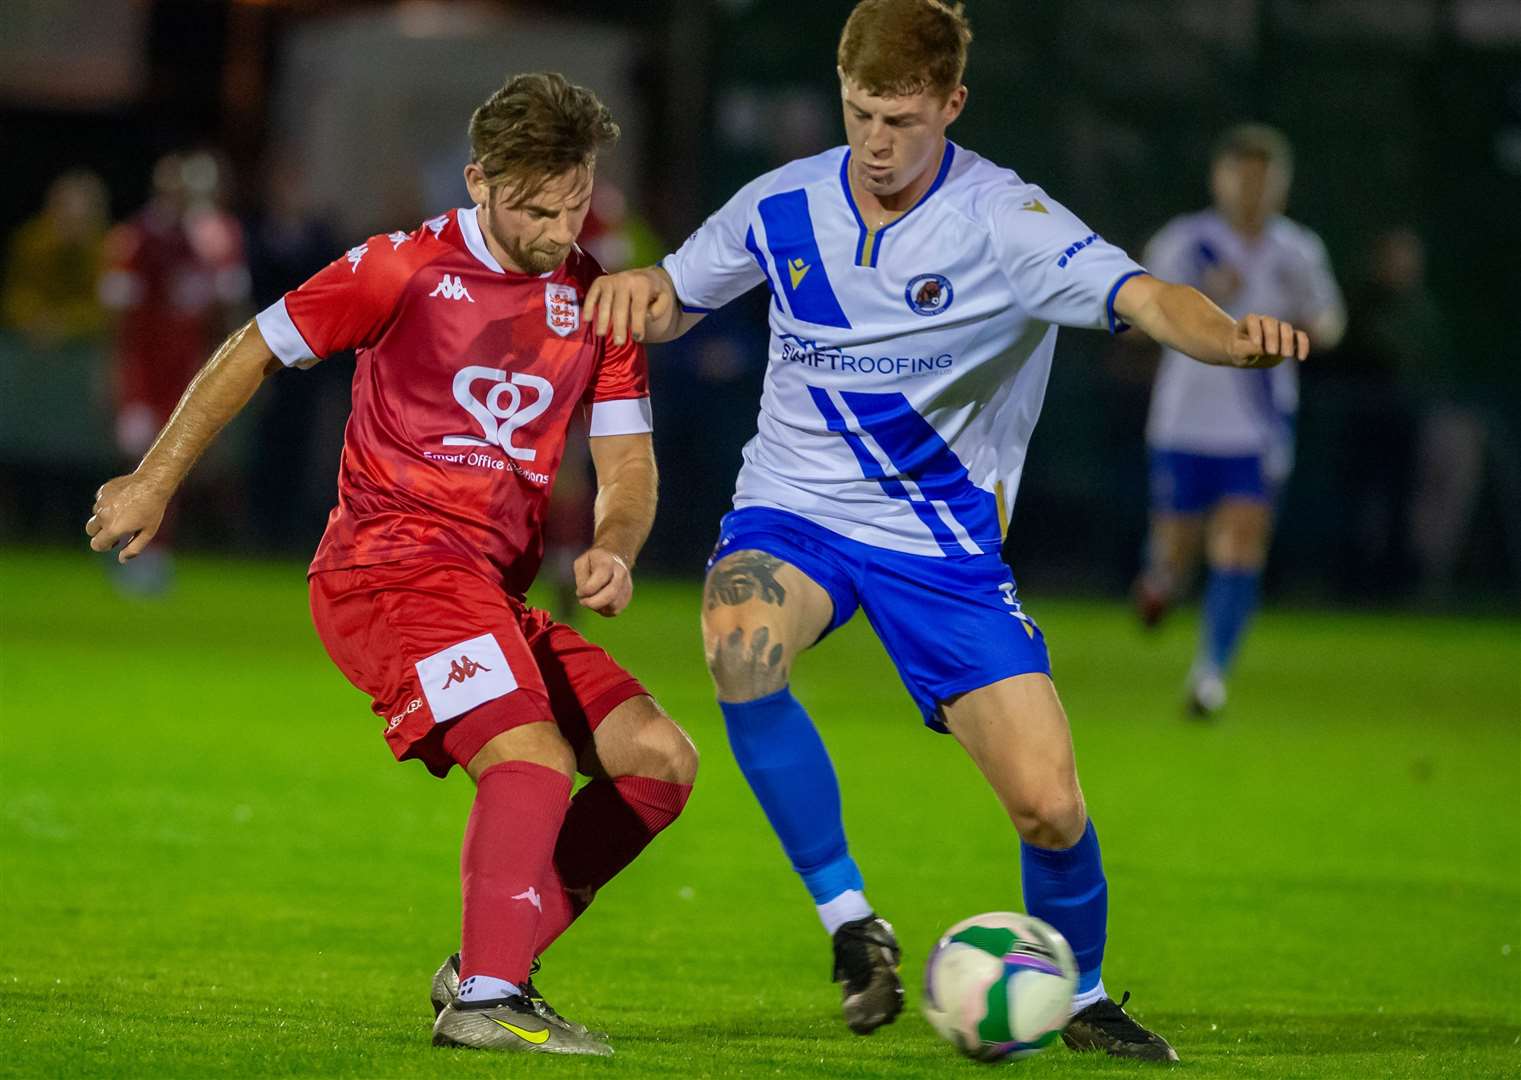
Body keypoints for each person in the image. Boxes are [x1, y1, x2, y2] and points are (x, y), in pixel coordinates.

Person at [585, 0, 1312, 1062]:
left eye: (904, 120)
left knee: (1049, 809)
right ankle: (851, 924)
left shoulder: (1006, 223)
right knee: (738, 640)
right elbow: (674, 296)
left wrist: (1229, 338)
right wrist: (625, 295)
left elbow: (1149, 298)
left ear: (953, 106)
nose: (877, 143)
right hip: (798, 514)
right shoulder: (782, 205)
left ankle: (1083, 994)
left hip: (943, 550)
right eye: (861, 113)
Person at [86, 72, 698, 1056]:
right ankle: (490, 1001)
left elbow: (627, 460)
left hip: (482, 588)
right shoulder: (402, 268)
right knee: (529, 758)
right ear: (478, 183)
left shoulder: (596, 303)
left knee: (658, 764)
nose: (558, 225)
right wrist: (154, 482)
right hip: (390, 568)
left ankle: (488, 962)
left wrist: (615, 548)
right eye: (536, 207)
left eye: (575, 202)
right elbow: (253, 345)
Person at [1132, 125, 1344, 715]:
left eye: (1265, 180)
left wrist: (1315, 331)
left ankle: (1209, 676)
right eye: (1242, 177)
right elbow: (1143, 312)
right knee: (1176, 553)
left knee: (1240, 543)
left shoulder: (1296, 250)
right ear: (1219, 178)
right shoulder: (1184, 242)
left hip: (1256, 424)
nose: (1253, 190)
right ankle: (1158, 584)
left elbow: (1327, 315)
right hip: (1184, 420)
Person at [98, 151, 250, 593]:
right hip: (143, 373)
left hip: (188, 375)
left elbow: (231, 312)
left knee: (174, 463)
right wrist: (117, 379)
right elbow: (119, 320)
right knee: (140, 458)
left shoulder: (212, 238)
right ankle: (129, 546)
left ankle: (150, 550)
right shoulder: (138, 238)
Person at [1, 170, 111, 346]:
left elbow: (105, 308)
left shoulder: (109, 250)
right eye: (66, 217)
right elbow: (16, 293)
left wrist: (65, 324)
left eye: (81, 220)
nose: (73, 228)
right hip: (29, 343)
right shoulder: (31, 242)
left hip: (85, 347)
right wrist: (33, 319)